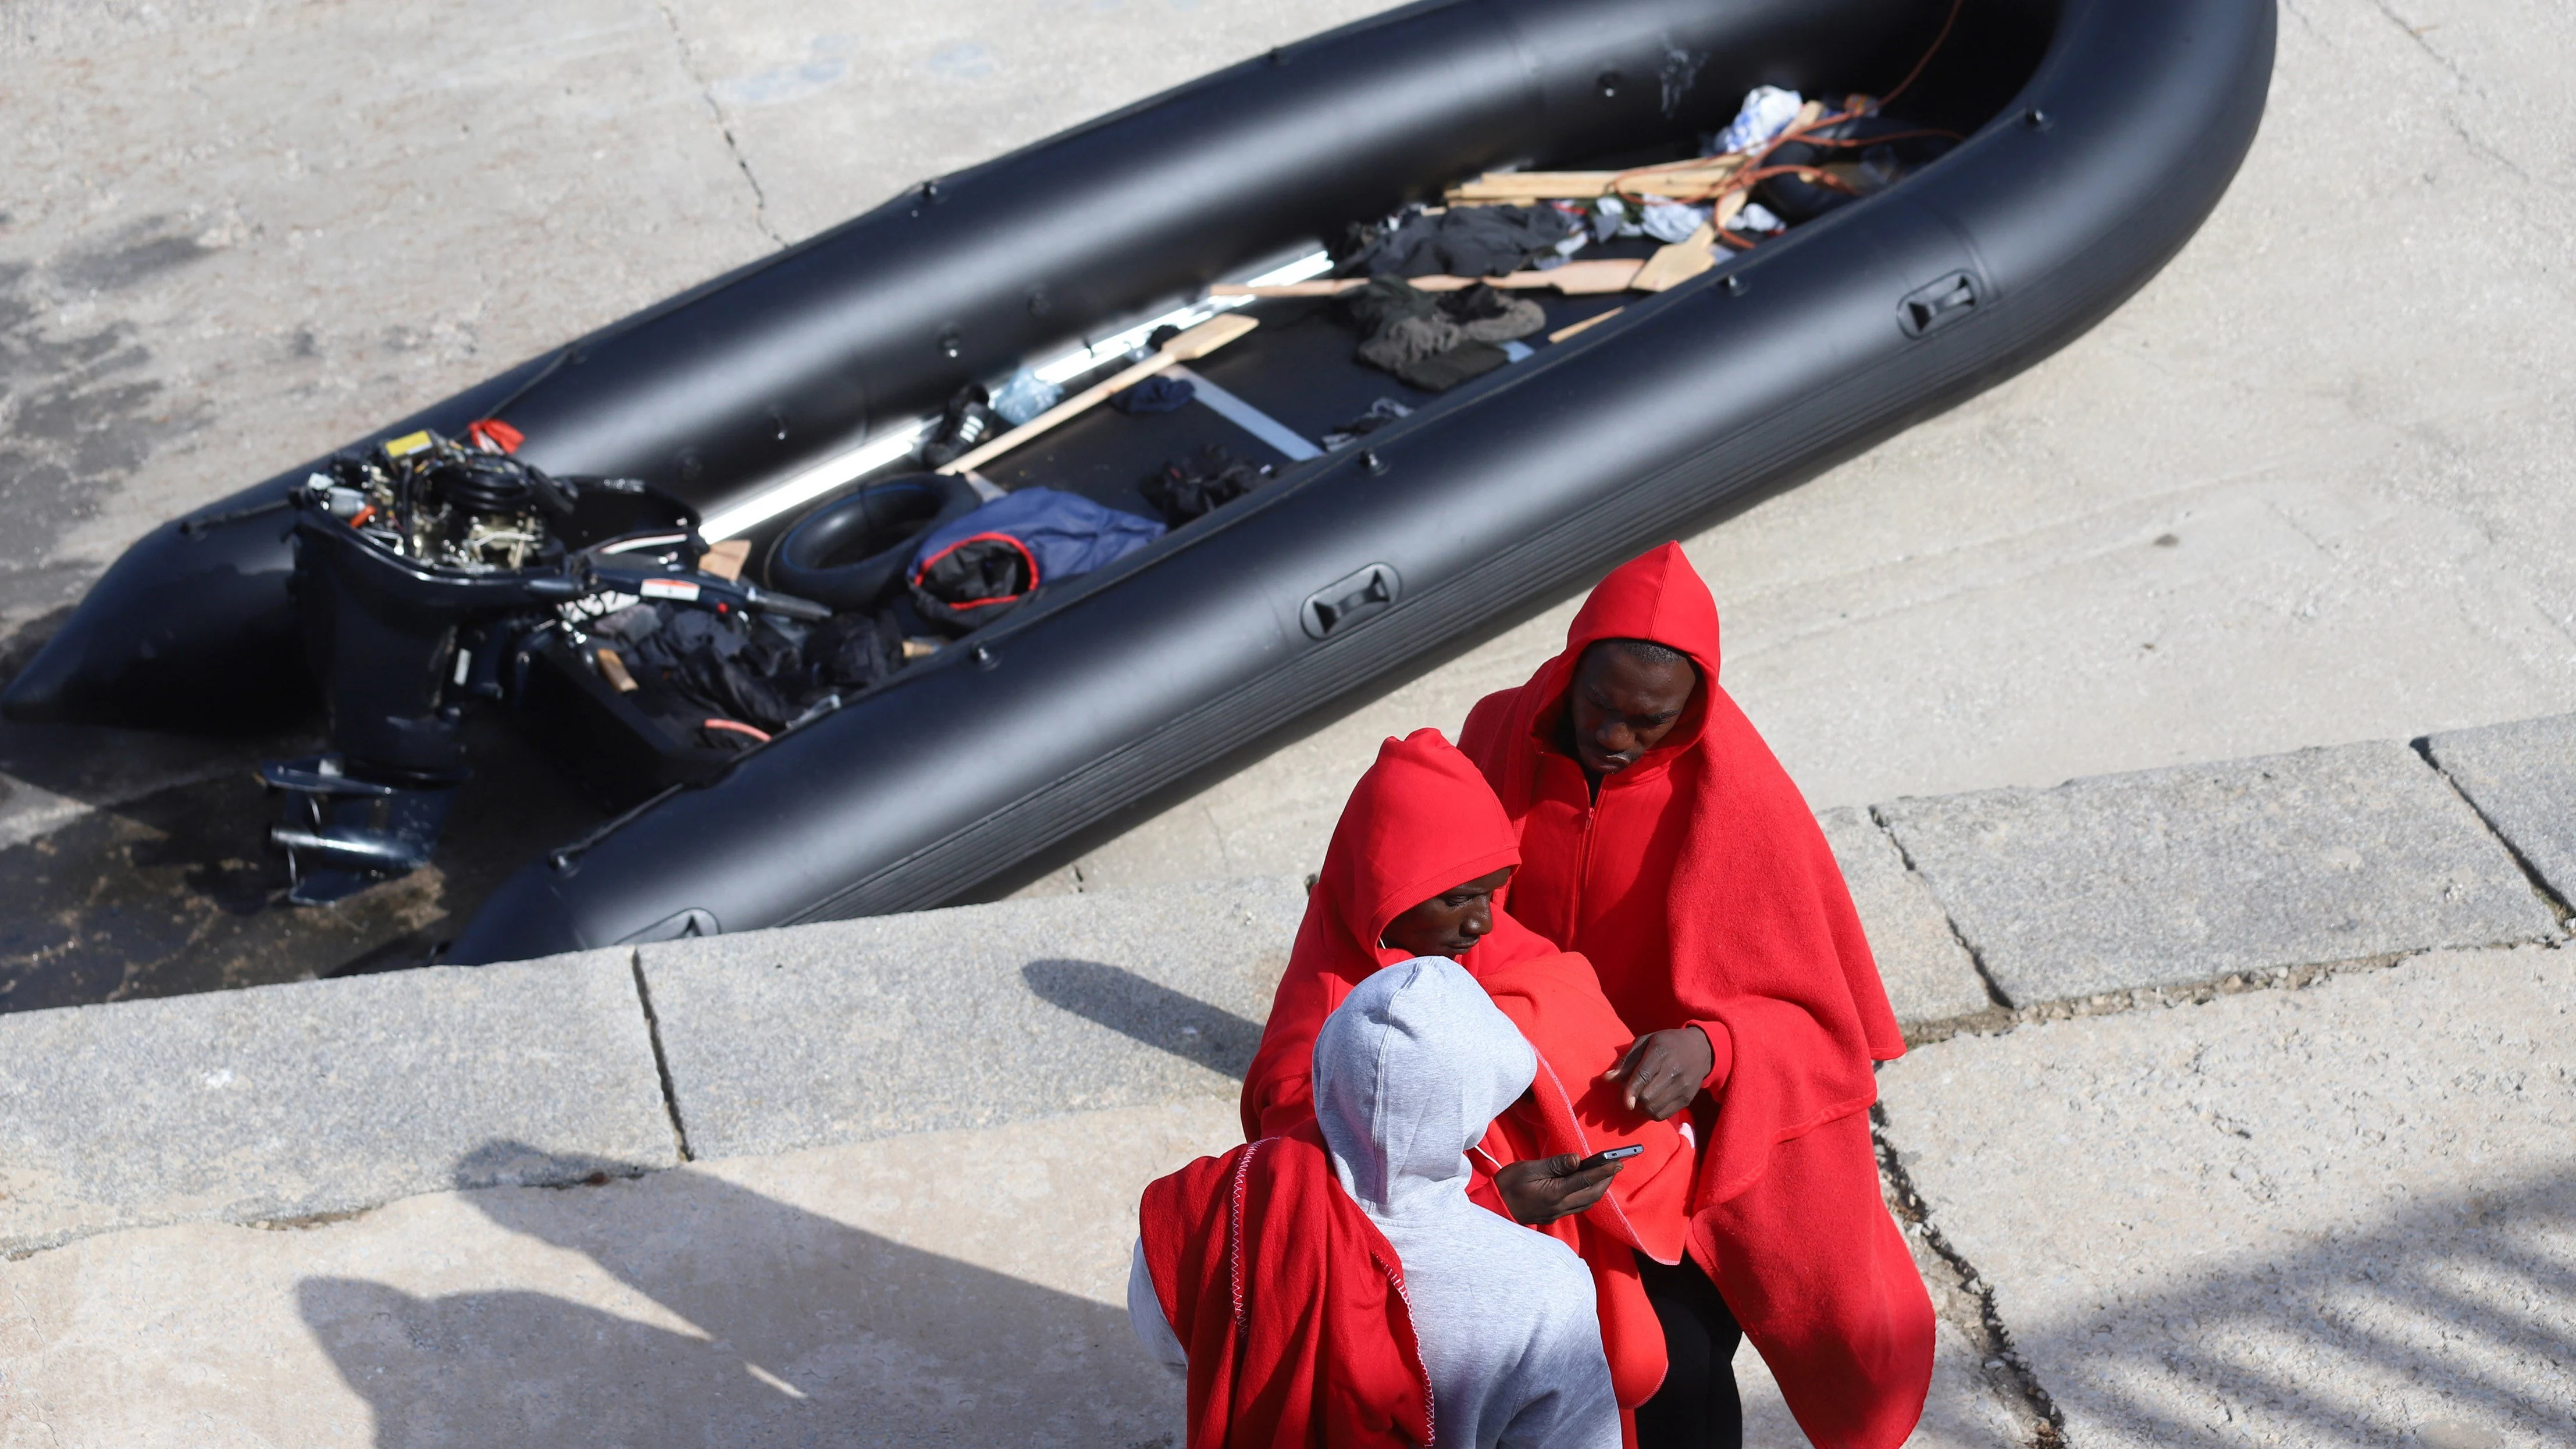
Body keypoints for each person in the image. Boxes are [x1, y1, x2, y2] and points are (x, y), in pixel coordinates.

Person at [1456, 542, 1935, 1449]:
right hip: (1516, 1110)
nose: (1615, 737)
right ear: (1570, 666)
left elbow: (1825, 1026)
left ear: (1694, 708)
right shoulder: (1497, 732)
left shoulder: (1737, 795)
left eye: (1650, 721)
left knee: (1673, 1369)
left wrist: (1712, 1046)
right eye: (1600, 704)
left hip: (1672, 1141)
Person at [1243, 729, 1696, 1433]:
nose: (1482, 921)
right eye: (1456, 899)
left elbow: (1553, 992)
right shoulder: (1317, 1046)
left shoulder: (1471, 941)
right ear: (1386, 895)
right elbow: (1322, 1219)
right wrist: (1491, 1200)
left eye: (1491, 892)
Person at [1133, 956, 1623, 1448]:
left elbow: (1172, 1346)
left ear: (1327, 1064)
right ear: (1480, 1100)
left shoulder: (1214, 1206)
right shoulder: (1546, 1289)